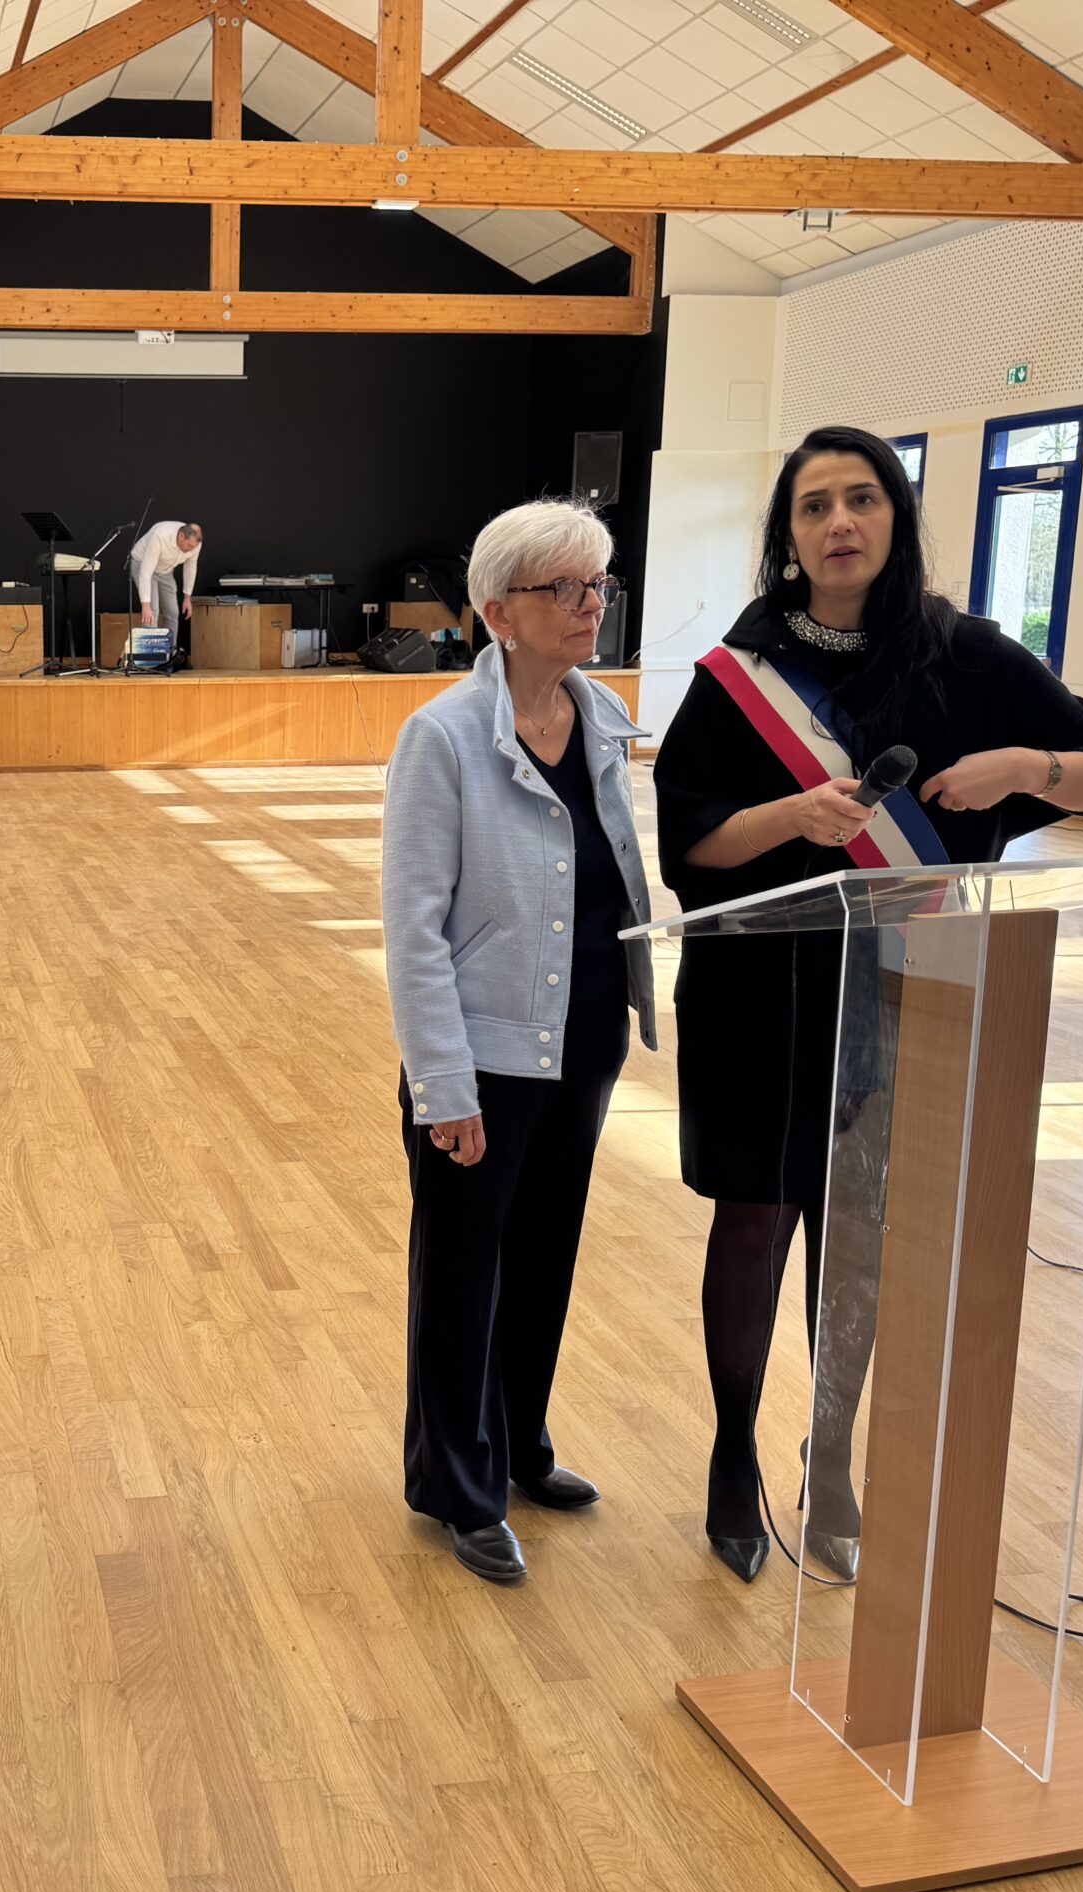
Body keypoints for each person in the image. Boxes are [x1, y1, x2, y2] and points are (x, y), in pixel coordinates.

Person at [653, 425, 1083, 1585]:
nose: (839, 523)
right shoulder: (737, 673)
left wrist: (1024, 769)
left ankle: (832, 1458)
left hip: (908, 991)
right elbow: (689, 846)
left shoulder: (968, 657)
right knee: (755, 1218)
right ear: (787, 535)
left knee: (860, 1232)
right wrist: (790, 817)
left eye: (861, 498)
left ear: (896, 516)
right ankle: (732, 1454)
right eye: (814, 505)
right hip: (758, 995)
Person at [381, 499, 657, 1584]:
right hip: (483, 1051)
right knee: (462, 1272)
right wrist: (441, 1086)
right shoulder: (442, 736)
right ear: (497, 611)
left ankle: (518, 1446)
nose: (591, 606)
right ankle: (459, 1483)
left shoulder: (602, 715)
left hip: (583, 1032)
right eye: (565, 589)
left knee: (543, 1254)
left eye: (598, 585)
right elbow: (412, 928)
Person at [128, 519, 203, 637]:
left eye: (194, 547)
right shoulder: (160, 535)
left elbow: (190, 568)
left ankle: (170, 648)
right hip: (143, 564)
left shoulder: (195, 544)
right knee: (152, 611)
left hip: (165, 570)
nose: (192, 549)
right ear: (181, 536)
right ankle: (151, 648)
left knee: (173, 612)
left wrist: (187, 597)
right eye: (189, 546)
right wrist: (145, 604)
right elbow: (146, 571)